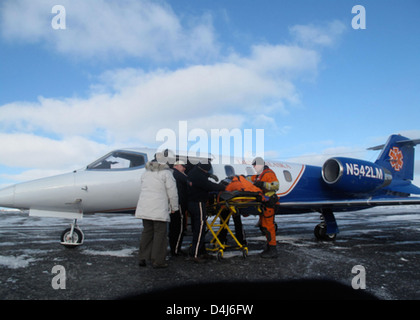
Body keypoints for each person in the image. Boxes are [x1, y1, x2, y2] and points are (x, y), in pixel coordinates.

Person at [135, 154, 179, 268]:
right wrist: (174, 207)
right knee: (160, 234)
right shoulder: (166, 173)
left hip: (145, 208)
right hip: (159, 209)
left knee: (147, 232)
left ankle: (143, 257)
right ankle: (158, 260)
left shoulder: (145, 174)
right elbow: (172, 192)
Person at [187, 162, 225, 263]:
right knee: (200, 227)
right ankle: (194, 254)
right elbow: (209, 185)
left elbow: (203, 176)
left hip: (193, 202)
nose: (207, 172)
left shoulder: (194, 171)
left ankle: (202, 252)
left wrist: (209, 175)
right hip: (198, 202)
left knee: (199, 228)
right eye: (207, 170)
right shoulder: (198, 176)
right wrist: (222, 187)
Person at [248, 157, 279, 258]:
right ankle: (269, 247)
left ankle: (273, 249)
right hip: (264, 203)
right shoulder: (260, 175)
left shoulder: (268, 173)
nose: (254, 167)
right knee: (264, 226)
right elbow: (251, 178)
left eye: (255, 166)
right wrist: (241, 177)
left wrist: (263, 184)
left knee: (268, 227)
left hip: (269, 203)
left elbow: (275, 185)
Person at [169, 160, 189, 257]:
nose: (184, 168)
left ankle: (174, 248)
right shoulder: (178, 174)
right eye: (183, 166)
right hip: (179, 204)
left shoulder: (171, 173)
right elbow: (189, 182)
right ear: (176, 166)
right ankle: (176, 250)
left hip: (174, 204)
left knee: (173, 227)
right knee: (179, 227)